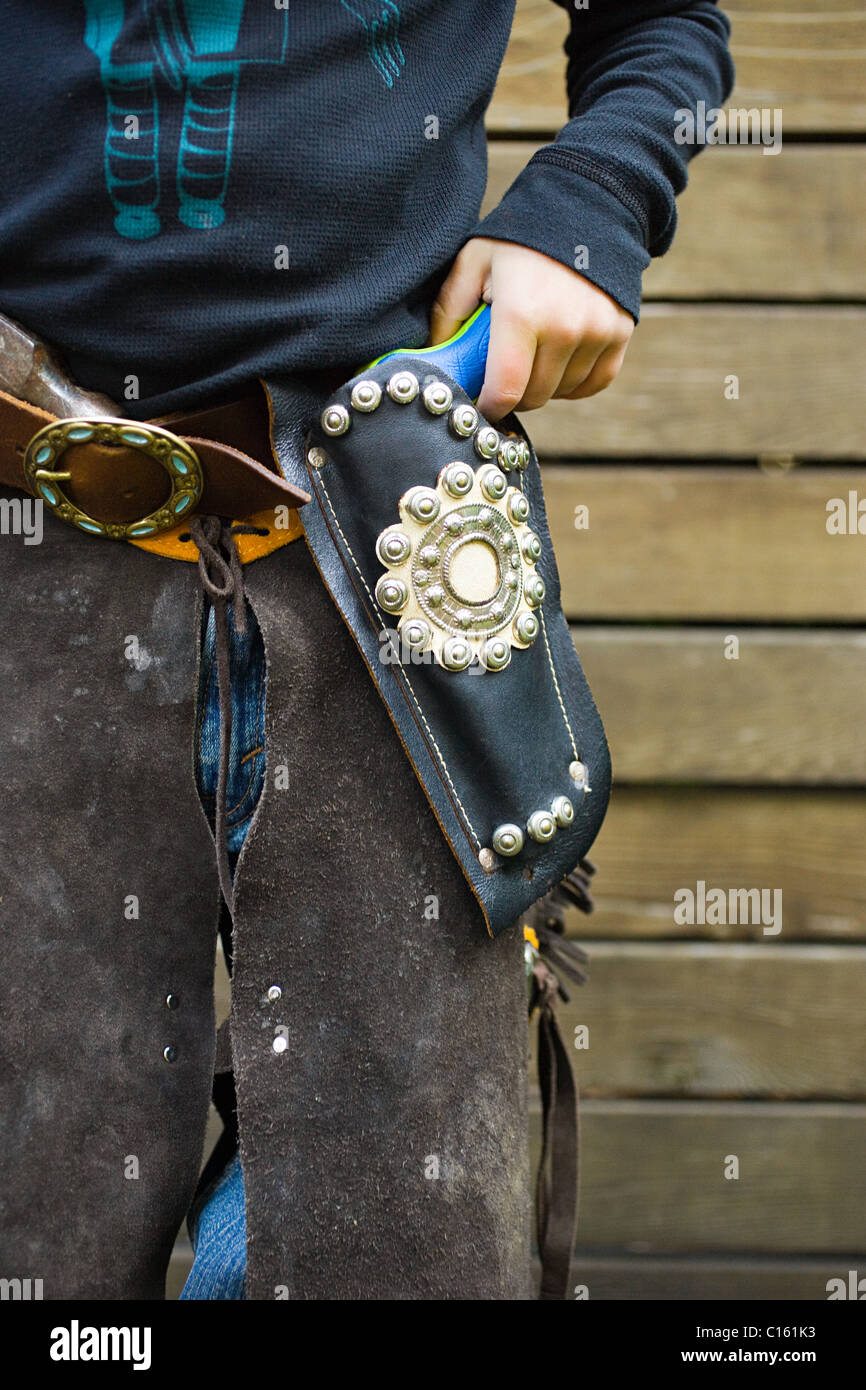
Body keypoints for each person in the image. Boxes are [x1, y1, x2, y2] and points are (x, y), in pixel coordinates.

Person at [0, 1, 733, 1300]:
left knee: (396, 1255)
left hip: (389, 583)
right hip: (23, 569)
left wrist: (587, 201)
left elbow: (659, 19)